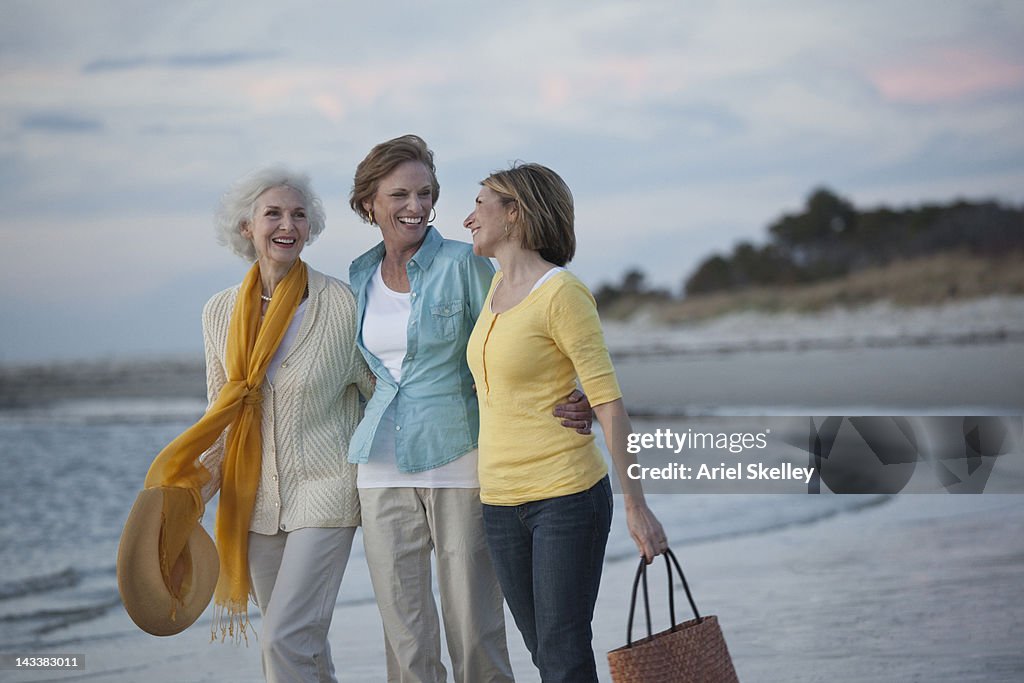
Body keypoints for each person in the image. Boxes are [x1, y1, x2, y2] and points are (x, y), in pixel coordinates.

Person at [347, 135, 593, 683]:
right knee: (404, 633)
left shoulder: (466, 263)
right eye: (400, 195)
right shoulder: (358, 276)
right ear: (370, 203)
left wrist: (578, 394)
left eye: (426, 194)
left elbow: (530, 323)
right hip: (378, 467)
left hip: (459, 457)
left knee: (473, 628)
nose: (416, 207)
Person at [463, 162, 669, 683]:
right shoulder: (493, 292)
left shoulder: (562, 293)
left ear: (514, 214)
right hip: (500, 501)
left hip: (565, 495)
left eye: (481, 204)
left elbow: (608, 401)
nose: (469, 218)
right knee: (546, 653)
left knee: (563, 651)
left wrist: (637, 507)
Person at [190, 167, 373, 682]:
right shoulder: (219, 312)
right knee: (303, 645)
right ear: (248, 227)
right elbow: (219, 416)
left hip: (328, 491)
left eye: (298, 214)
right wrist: (194, 492)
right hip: (254, 502)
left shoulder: (342, 303)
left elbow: (384, 391)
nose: (287, 224)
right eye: (273, 213)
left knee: (282, 639)